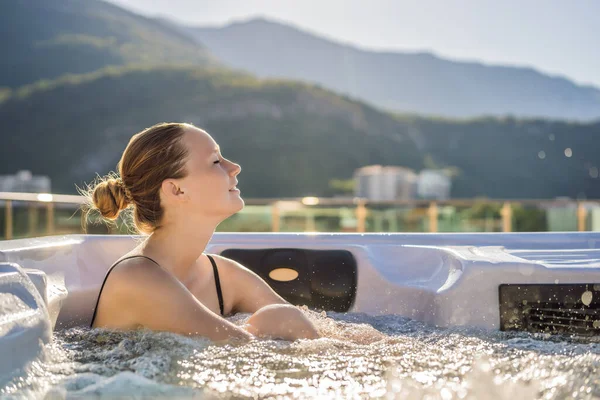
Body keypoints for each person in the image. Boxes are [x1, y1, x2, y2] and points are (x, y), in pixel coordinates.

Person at [84, 122, 319, 342]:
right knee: (279, 319)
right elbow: (240, 348)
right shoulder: (136, 278)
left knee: (282, 317)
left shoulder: (224, 275)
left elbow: (323, 335)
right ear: (176, 190)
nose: (234, 168)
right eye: (216, 161)